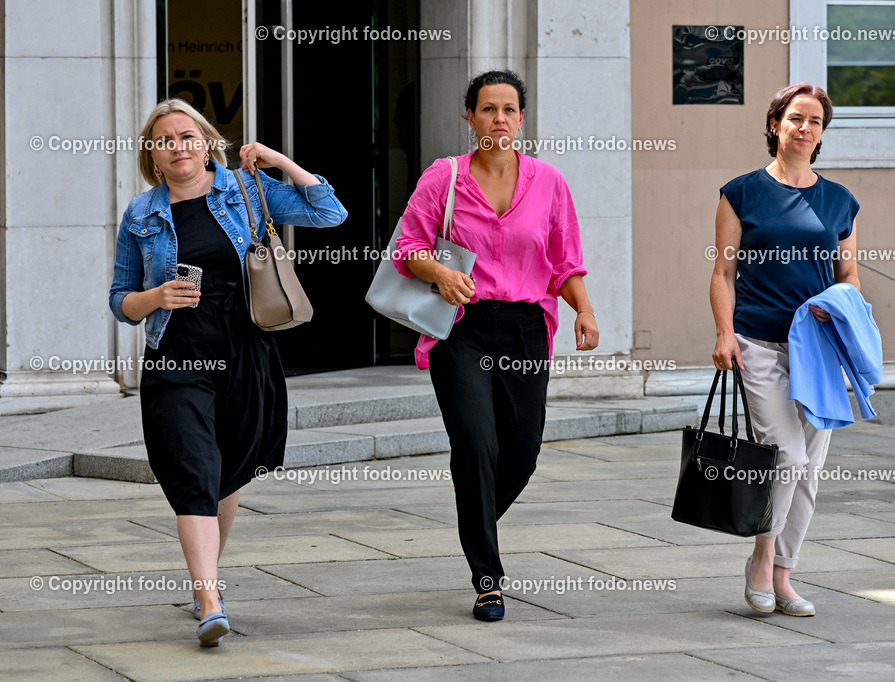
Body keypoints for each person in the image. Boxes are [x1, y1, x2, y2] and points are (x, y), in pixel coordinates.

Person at [108, 99, 346, 645]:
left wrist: (279, 161)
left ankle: (205, 578)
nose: (178, 146)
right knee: (193, 469)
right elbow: (120, 300)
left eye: (187, 136)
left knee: (231, 468)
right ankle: (210, 598)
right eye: (165, 140)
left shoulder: (241, 189)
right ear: (154, 155)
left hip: (246, 350)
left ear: (206, 141)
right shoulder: (142, 215)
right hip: (178, 358)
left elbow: (330, 213)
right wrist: (156, 295)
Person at [394, 70, 599, 621]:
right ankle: (487, 575)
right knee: (476, 446)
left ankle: (474, 520)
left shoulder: (549, 182)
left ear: (522, 119)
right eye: (488, 109)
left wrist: (585, 309)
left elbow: (564, 259)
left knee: (522, 453)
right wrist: (439, 272)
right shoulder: (445, 178)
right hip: (461, 326)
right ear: (470, 117)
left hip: (526, 328)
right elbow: (406, 247)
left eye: (509, 110)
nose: (499, 120)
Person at [709, 83, 860, 617]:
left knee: (811, 465)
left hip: (820, 349)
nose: (804, 128)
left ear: (822, 132)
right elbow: (724, 271)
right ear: (775, 124)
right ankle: (761, 556)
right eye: (796, 118)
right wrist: (725, 333)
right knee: (787, 456)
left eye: (815, 121)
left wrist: (843, 317)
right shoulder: (742, 192)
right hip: (759, 342)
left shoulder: (841, 201)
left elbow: (849, 278)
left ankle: (784, 575)